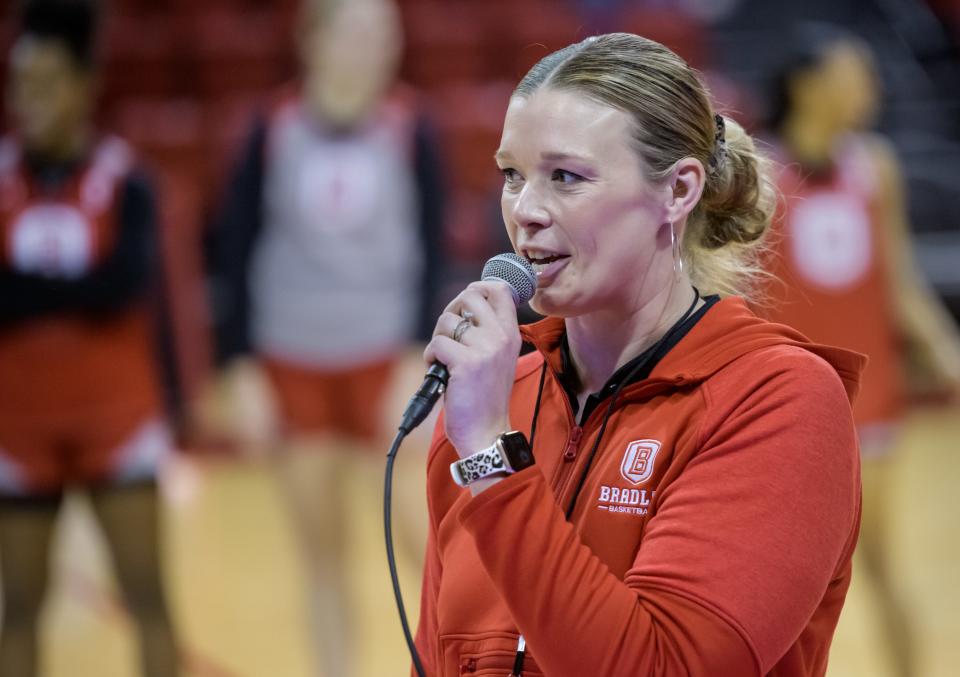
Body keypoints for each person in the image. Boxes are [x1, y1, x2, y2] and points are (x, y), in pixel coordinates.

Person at [414, 32, 865, 677]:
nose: (526, 211)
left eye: (565, 176)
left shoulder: (779, 400)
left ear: (678, 190)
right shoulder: (497, 395)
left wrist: (491, 452)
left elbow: (662, 666)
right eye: (512, 174)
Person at [206, 0, 444, 674]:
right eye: (361, 32)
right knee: (324, 558)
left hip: (387, 361)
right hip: (294, 361)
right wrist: (240, 366)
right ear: (314, 41)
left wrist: (413, 355)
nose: (377, 48)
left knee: (427, 547)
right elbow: (233, 251)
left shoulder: (411, 126)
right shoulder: (269, 128)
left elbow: (433, 249)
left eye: (386, 35)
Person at [759, 24, 960, 677]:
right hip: (782, 413)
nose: (870, 89)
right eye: (856, 75)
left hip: (868, 402)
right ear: (809, 86)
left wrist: (946, 351)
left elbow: (900, 283)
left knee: (881, 562)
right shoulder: (759, 178)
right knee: (778, 580)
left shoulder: (875, 166)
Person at [0, 1, 181, 676]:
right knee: (18, 610)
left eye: (48, 81)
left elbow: (124, 285)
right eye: (20, 82)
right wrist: (78, 287)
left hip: (117, 419)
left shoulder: (125, 180)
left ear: (85, 84)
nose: (30, 99)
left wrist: (26, 289)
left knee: (150, 601)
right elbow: (96, 286)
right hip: (18, 429)